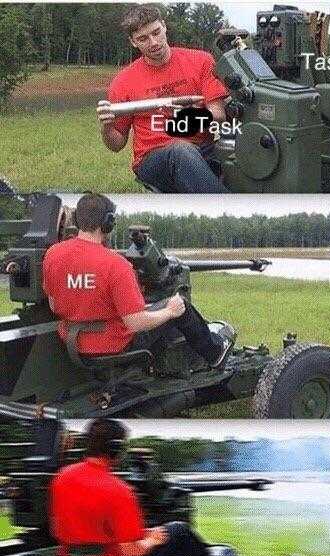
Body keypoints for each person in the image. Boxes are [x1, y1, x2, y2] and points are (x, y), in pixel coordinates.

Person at [42, 193, 234, 369]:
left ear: (77, 220)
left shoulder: (53, 254)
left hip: (72, 342)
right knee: (180, 305)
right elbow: (135, 323)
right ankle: (215, 353)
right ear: (108, 223)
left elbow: (53, 303)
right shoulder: (116, 264)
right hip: (112, 346)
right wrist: (169, 311)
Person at [97, 4, 229, 194]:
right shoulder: (123, 81)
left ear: (164, 26)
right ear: (133, 42)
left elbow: (219, 116)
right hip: (153, 159)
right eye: (143, 38)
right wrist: (107, 126)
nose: (153, 42)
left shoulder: (202, 61)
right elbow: (116, 144)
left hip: (204, 148)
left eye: (156, 32)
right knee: (181, 151)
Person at [50, 418, 210, 556]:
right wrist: (152, 540)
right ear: (115, 448)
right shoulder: (120, 491)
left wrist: (143, 534)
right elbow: (131, 553)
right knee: (180, 531)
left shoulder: (62, 476)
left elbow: (71, 527)